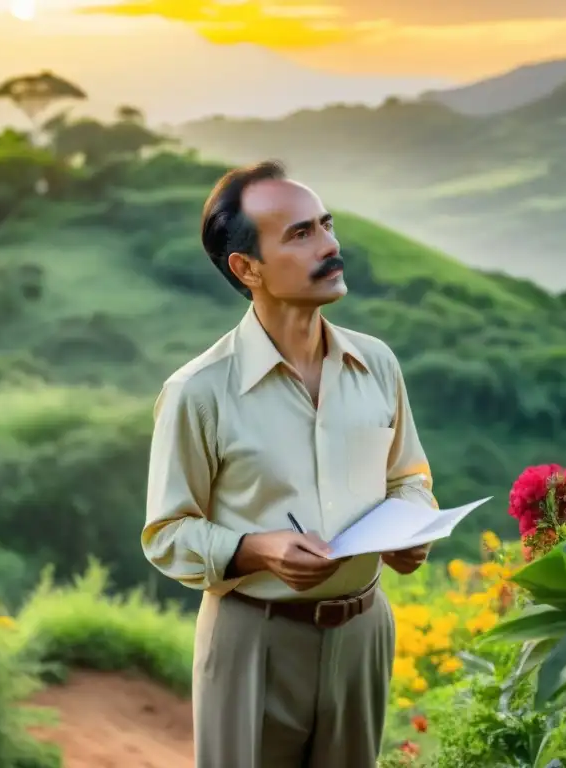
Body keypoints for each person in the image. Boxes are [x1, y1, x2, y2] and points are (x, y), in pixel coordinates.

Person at [142, 160, 438, 768]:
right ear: (246, 268)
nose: (330, 246)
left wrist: (412, 527)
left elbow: (409, 478)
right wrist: (256, 550)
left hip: (364, 632)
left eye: (325, 226)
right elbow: (166, 535)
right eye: (300, 234)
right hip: (255, 637)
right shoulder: (199, 391)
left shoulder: (377, 364)